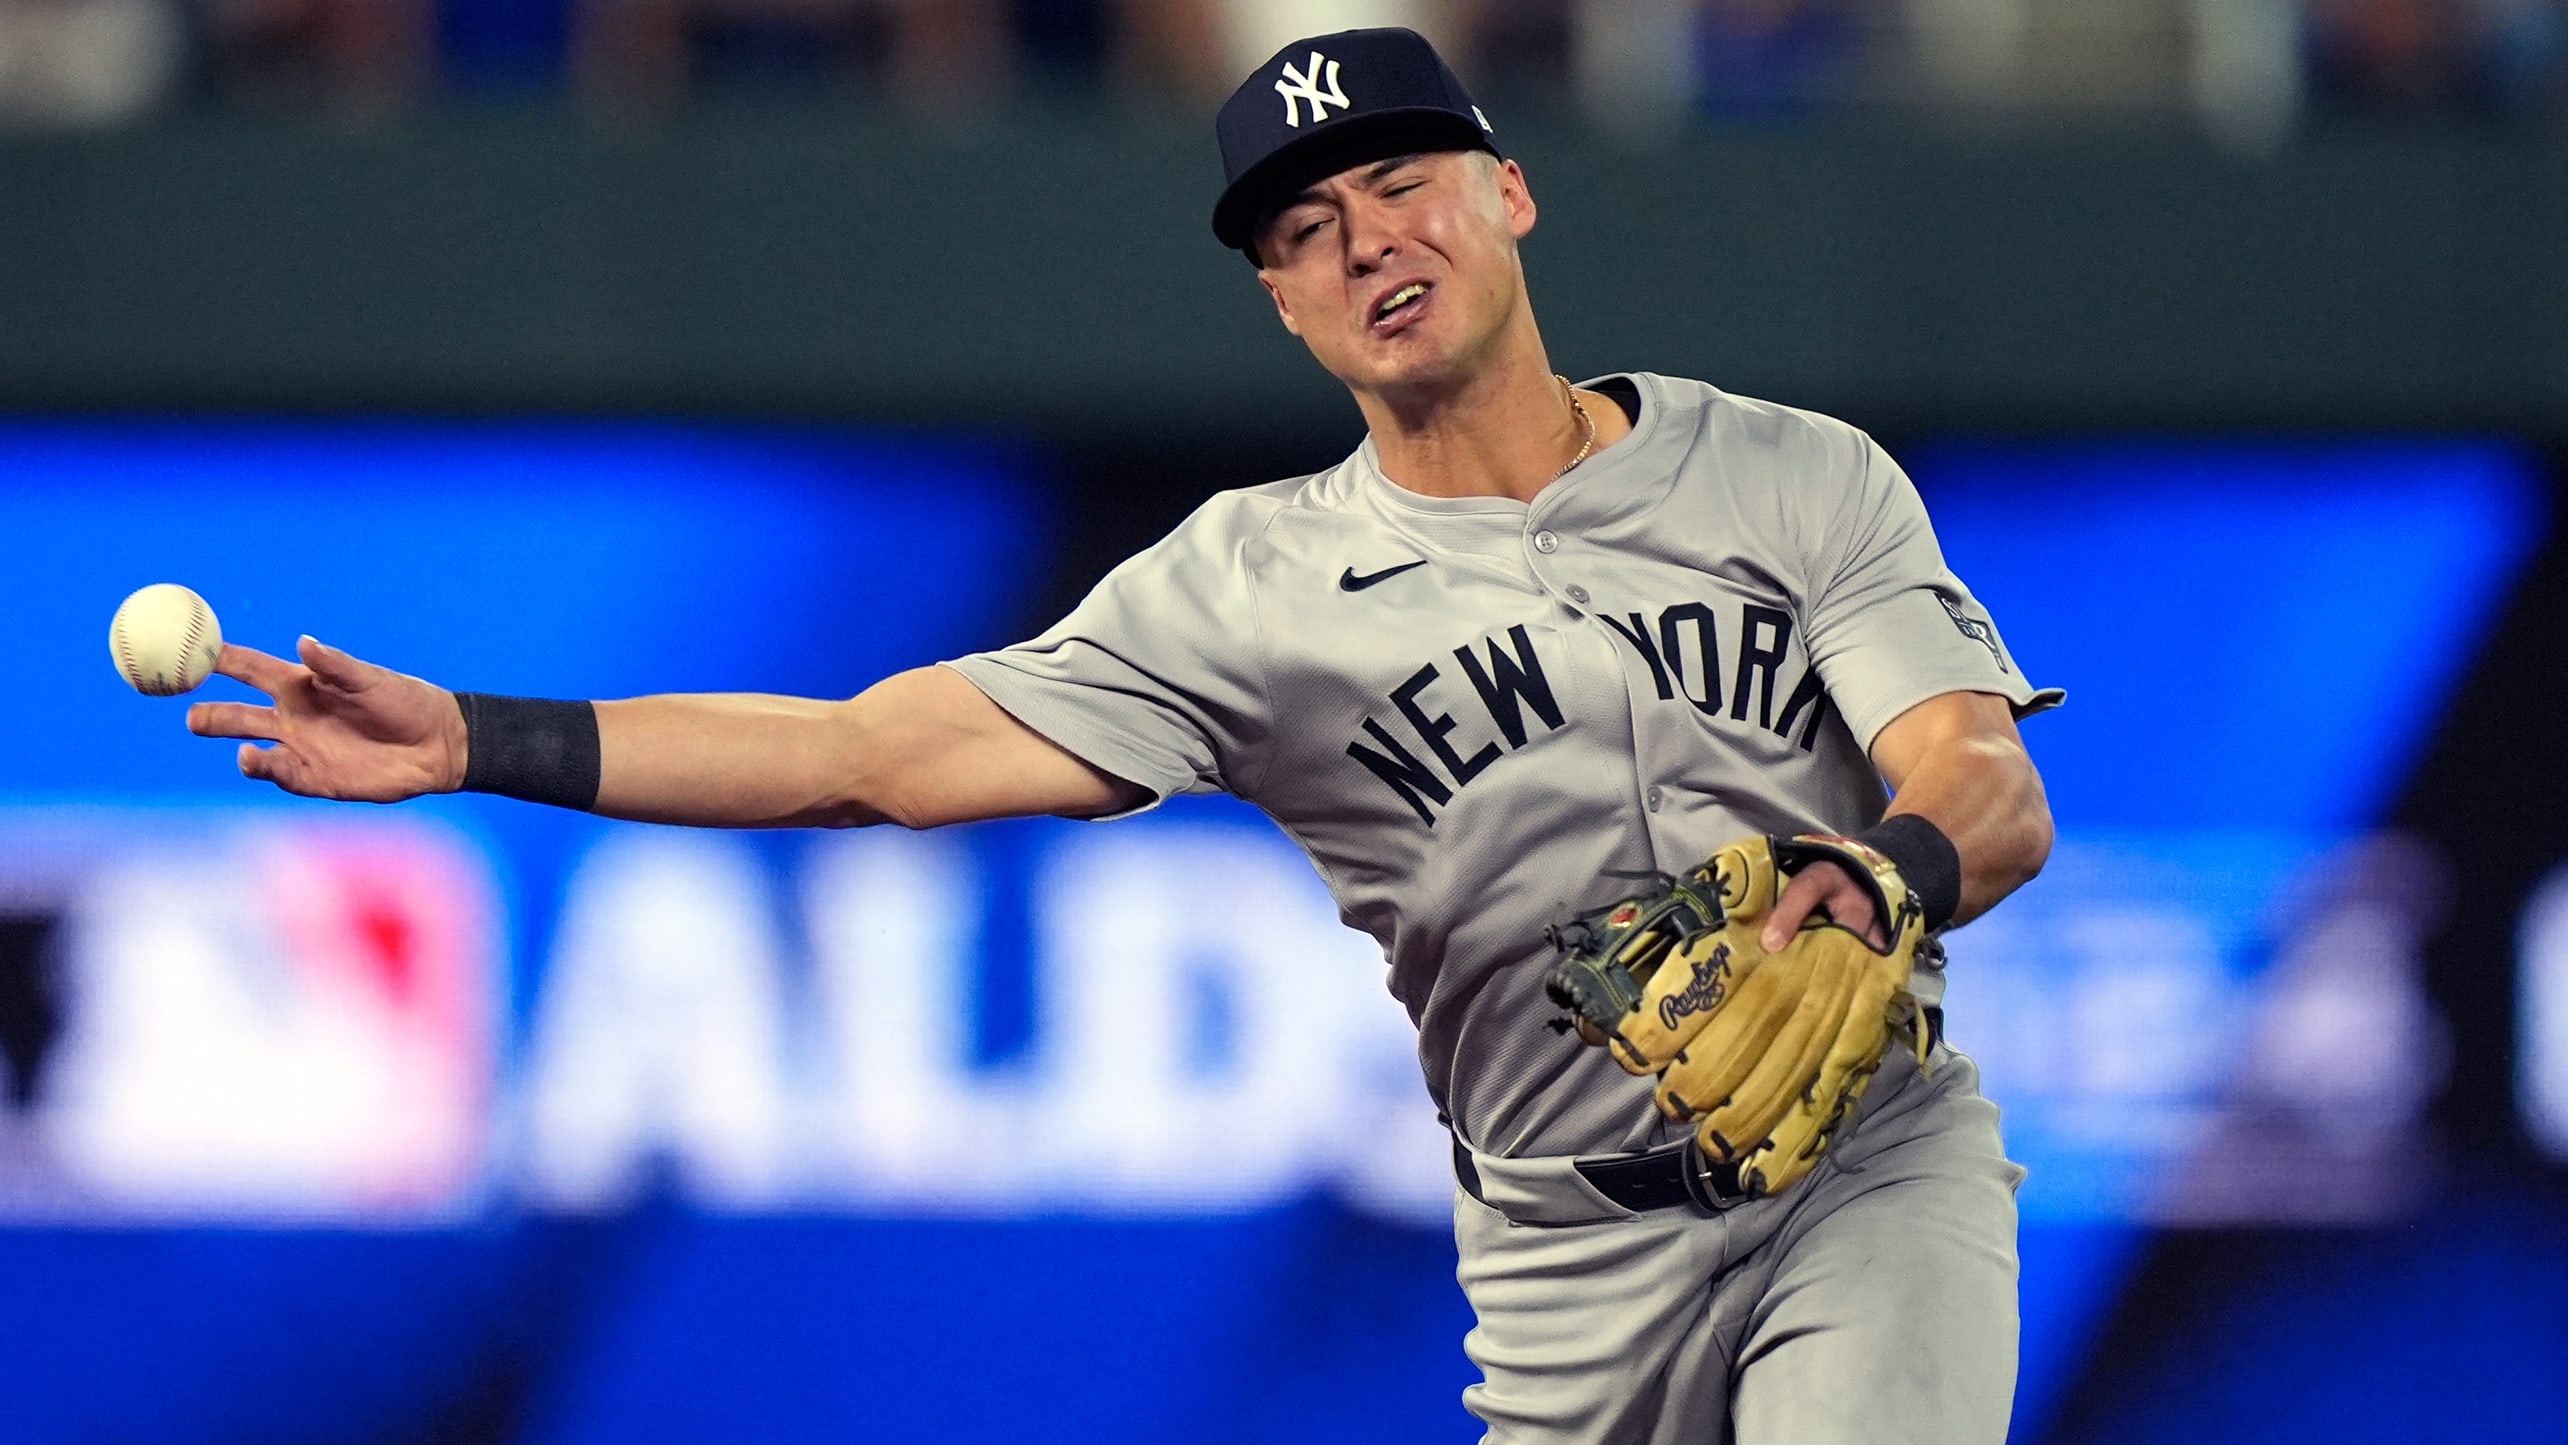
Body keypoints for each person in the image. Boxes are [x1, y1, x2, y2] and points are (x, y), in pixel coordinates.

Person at [188, 27, 2056, 1443]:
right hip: (1571, 1247)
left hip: (1866, 1163)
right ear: (1279, 299)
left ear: (1509, 193)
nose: (1368, 244)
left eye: (1403, 183)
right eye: (1308, 231)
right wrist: (476, 736)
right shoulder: (1243, 586)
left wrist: (1878, 866)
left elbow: (1981, 778)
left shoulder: (1792, 474)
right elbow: (867, 752)